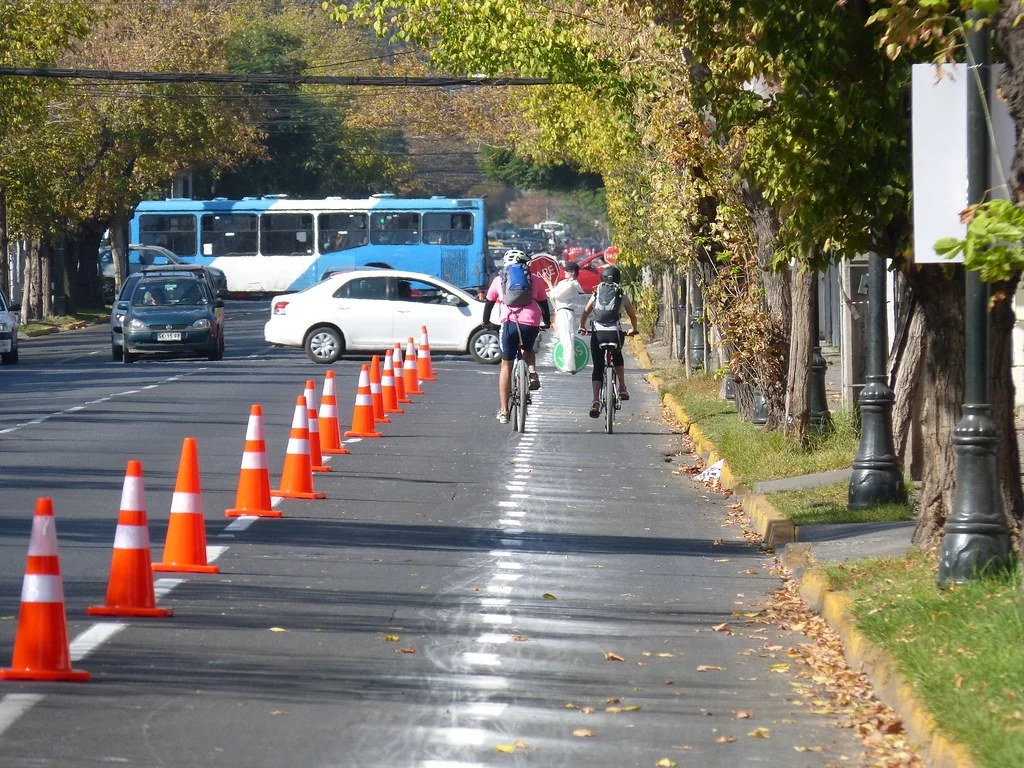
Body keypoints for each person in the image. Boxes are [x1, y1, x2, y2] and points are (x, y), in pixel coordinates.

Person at [483, 249, 551, 424]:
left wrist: (485, 322)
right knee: (527, 349)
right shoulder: (534, 279)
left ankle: (504, 411)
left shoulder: (499, 280)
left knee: (506, 364)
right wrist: (547, 321)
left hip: (509, 323)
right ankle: (532, 371)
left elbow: (489, 303)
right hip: (530, 323)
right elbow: (544, 303)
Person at [578, 265, 639, 418]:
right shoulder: (621, 296)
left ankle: (596, 401)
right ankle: (623, 388)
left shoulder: (596, 294)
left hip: (598, 334)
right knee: (617, 355)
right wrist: (633, 329)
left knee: (598, 366)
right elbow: (632, 316)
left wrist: (582, 326)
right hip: (614, 335)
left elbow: (585, 312)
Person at [544, 261, 589, 374]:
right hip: (561, 311)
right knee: (563, 338)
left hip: (566, 312)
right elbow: (553, 294)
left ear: (573, 272)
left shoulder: (572, 285)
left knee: (567, 338)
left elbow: (555, 295)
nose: (564, 272)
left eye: (567, 270)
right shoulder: (564, 282)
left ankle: (569, 366)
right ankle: (567, 365)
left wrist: (549, 283)